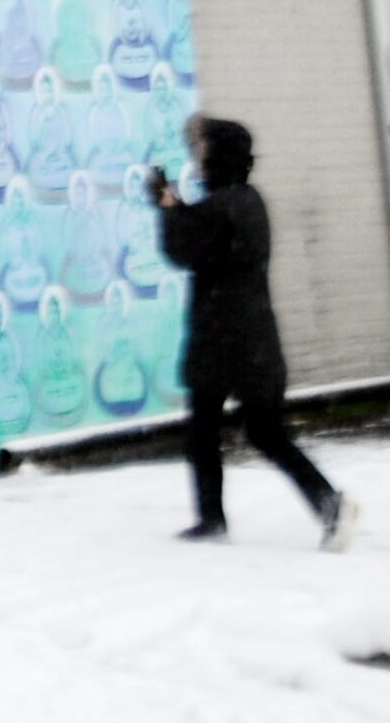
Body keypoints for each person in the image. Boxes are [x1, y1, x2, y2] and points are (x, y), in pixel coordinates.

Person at [149, 115, 351, 547]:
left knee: (204, 431)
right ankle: (326, 501)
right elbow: (206, 236)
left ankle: (212, 519)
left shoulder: (220, 206)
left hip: (222, 340)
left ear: (219, 158)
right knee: (265, 432)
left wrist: (166, 209)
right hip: (253, 337)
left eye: (203, 154)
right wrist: (177, 207)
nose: (197, 163)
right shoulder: (247, 201)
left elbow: (183, 248)